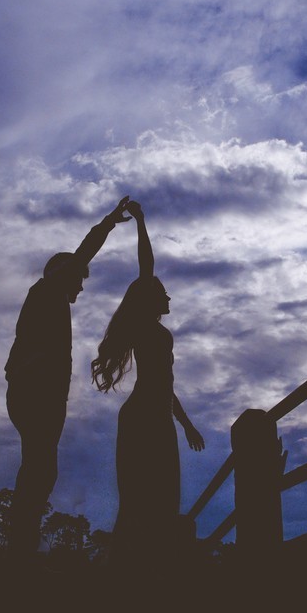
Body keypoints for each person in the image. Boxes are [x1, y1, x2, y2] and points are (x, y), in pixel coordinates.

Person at [5, 196, 133, 554]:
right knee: (40, 469)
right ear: (65, 274)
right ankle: (20, 551)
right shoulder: (47, 291)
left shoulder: (52, 300)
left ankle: (22, 546)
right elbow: (82, 253)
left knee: (41, 469)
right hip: (35, 393)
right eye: (78, 279)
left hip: (41, 393)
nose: (81, 287)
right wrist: (108, 223)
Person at [91, 201, 204, 566]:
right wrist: (141, 221)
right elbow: (146, 269)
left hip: (157, 417)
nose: (169, 296)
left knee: (164, 501)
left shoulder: (158, 333)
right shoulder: (143, 326)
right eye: (163, 291)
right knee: (141, 501)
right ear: (150, 297)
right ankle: (130, 574)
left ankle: (151, 570)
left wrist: (185, 422)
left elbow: (164, 382)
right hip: (144, 418)